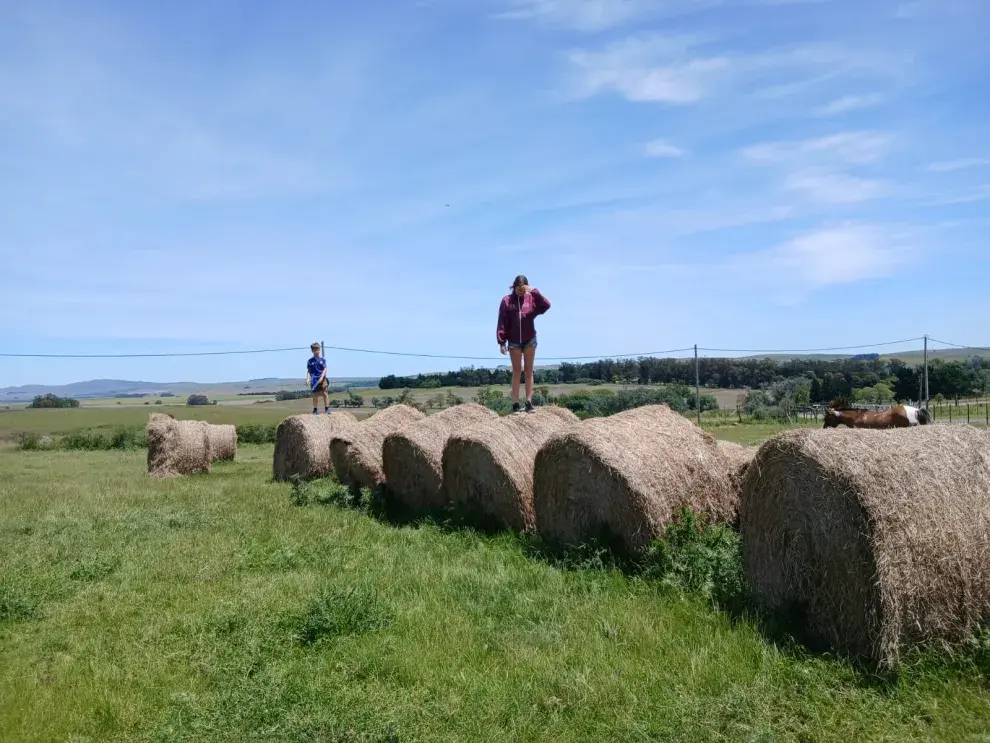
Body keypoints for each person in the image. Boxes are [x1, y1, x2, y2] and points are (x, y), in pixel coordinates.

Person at [497, 275, 551, 413]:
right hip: (514, 341)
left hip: (530, 340)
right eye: (518, 288)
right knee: (516, 371)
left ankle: (528, 402)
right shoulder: (507, 301)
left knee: (528, 370)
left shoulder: (531, 298)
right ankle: (515, 403)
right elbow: (502, 321)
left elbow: (546, 305)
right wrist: (501, 341)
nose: (520, 291)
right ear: (513, 287)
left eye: (523, 289)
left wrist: (533, 291)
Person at [306, 342, 330, 415]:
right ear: (312, 350)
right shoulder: (310, 361)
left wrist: (322, 377)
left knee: (324, 393)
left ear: (319, 349)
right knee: (315, 395)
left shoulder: (322, 359)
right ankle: (315, 409)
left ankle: (327, 409)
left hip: (322, 379)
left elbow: (325, 368)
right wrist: (307, 379)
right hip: (314, 380)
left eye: (317, 349)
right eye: (314, 349)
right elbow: (308, 371)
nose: (316, 350)